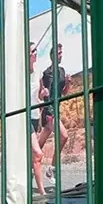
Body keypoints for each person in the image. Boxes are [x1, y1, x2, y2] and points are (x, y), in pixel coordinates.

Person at [39, 42, 70, 184]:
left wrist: (68, 84)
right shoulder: (47, 73)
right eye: (58, 53)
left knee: (38, 144)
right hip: (49, 111)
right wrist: (43, 93)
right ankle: (51, 169)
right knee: (64, 136)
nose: (61, 55)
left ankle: (27, 165)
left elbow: (63, 93)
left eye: (61, 53)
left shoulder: (62, 71)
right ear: (52, 56)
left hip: (56, 109)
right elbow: (42, 93)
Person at [28, 43, 46, 195]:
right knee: (38, 154)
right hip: (24, 116)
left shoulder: (38, 72)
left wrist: (43, 93)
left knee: (31, 155)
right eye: (33, 51)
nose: (36, 53)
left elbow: (40, 93)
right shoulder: (21, 74)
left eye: (35, 50)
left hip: (35, 115)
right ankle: (42, 193)